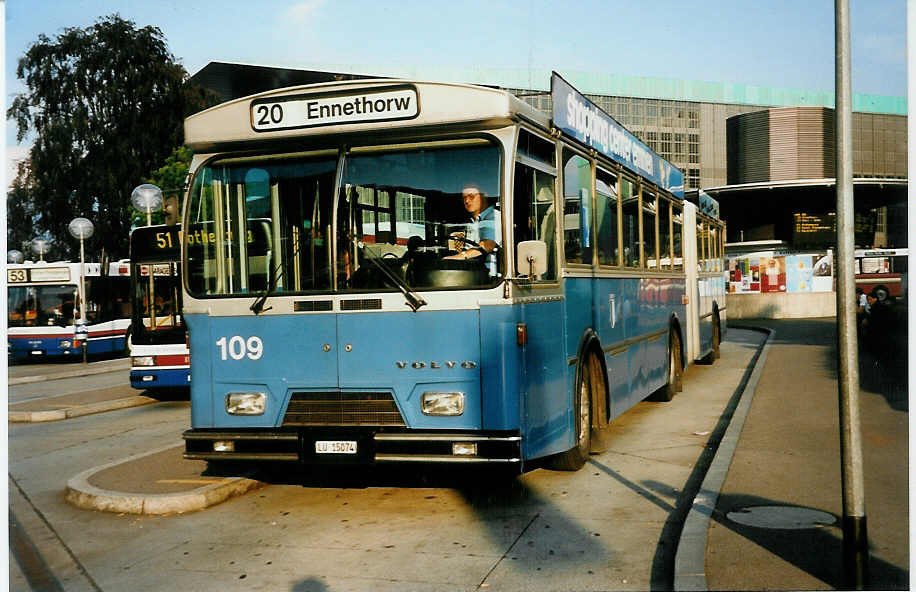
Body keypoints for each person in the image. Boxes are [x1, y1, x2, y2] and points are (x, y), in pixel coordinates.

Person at [445, 184, 501, 260]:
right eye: (464, 198)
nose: (467, 201)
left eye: (471, 196)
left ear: (483, 196)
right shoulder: (474, 221)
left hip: (487, 267)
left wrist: (458, 257)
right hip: (471, 265)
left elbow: (488, 245)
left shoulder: (493, 216)